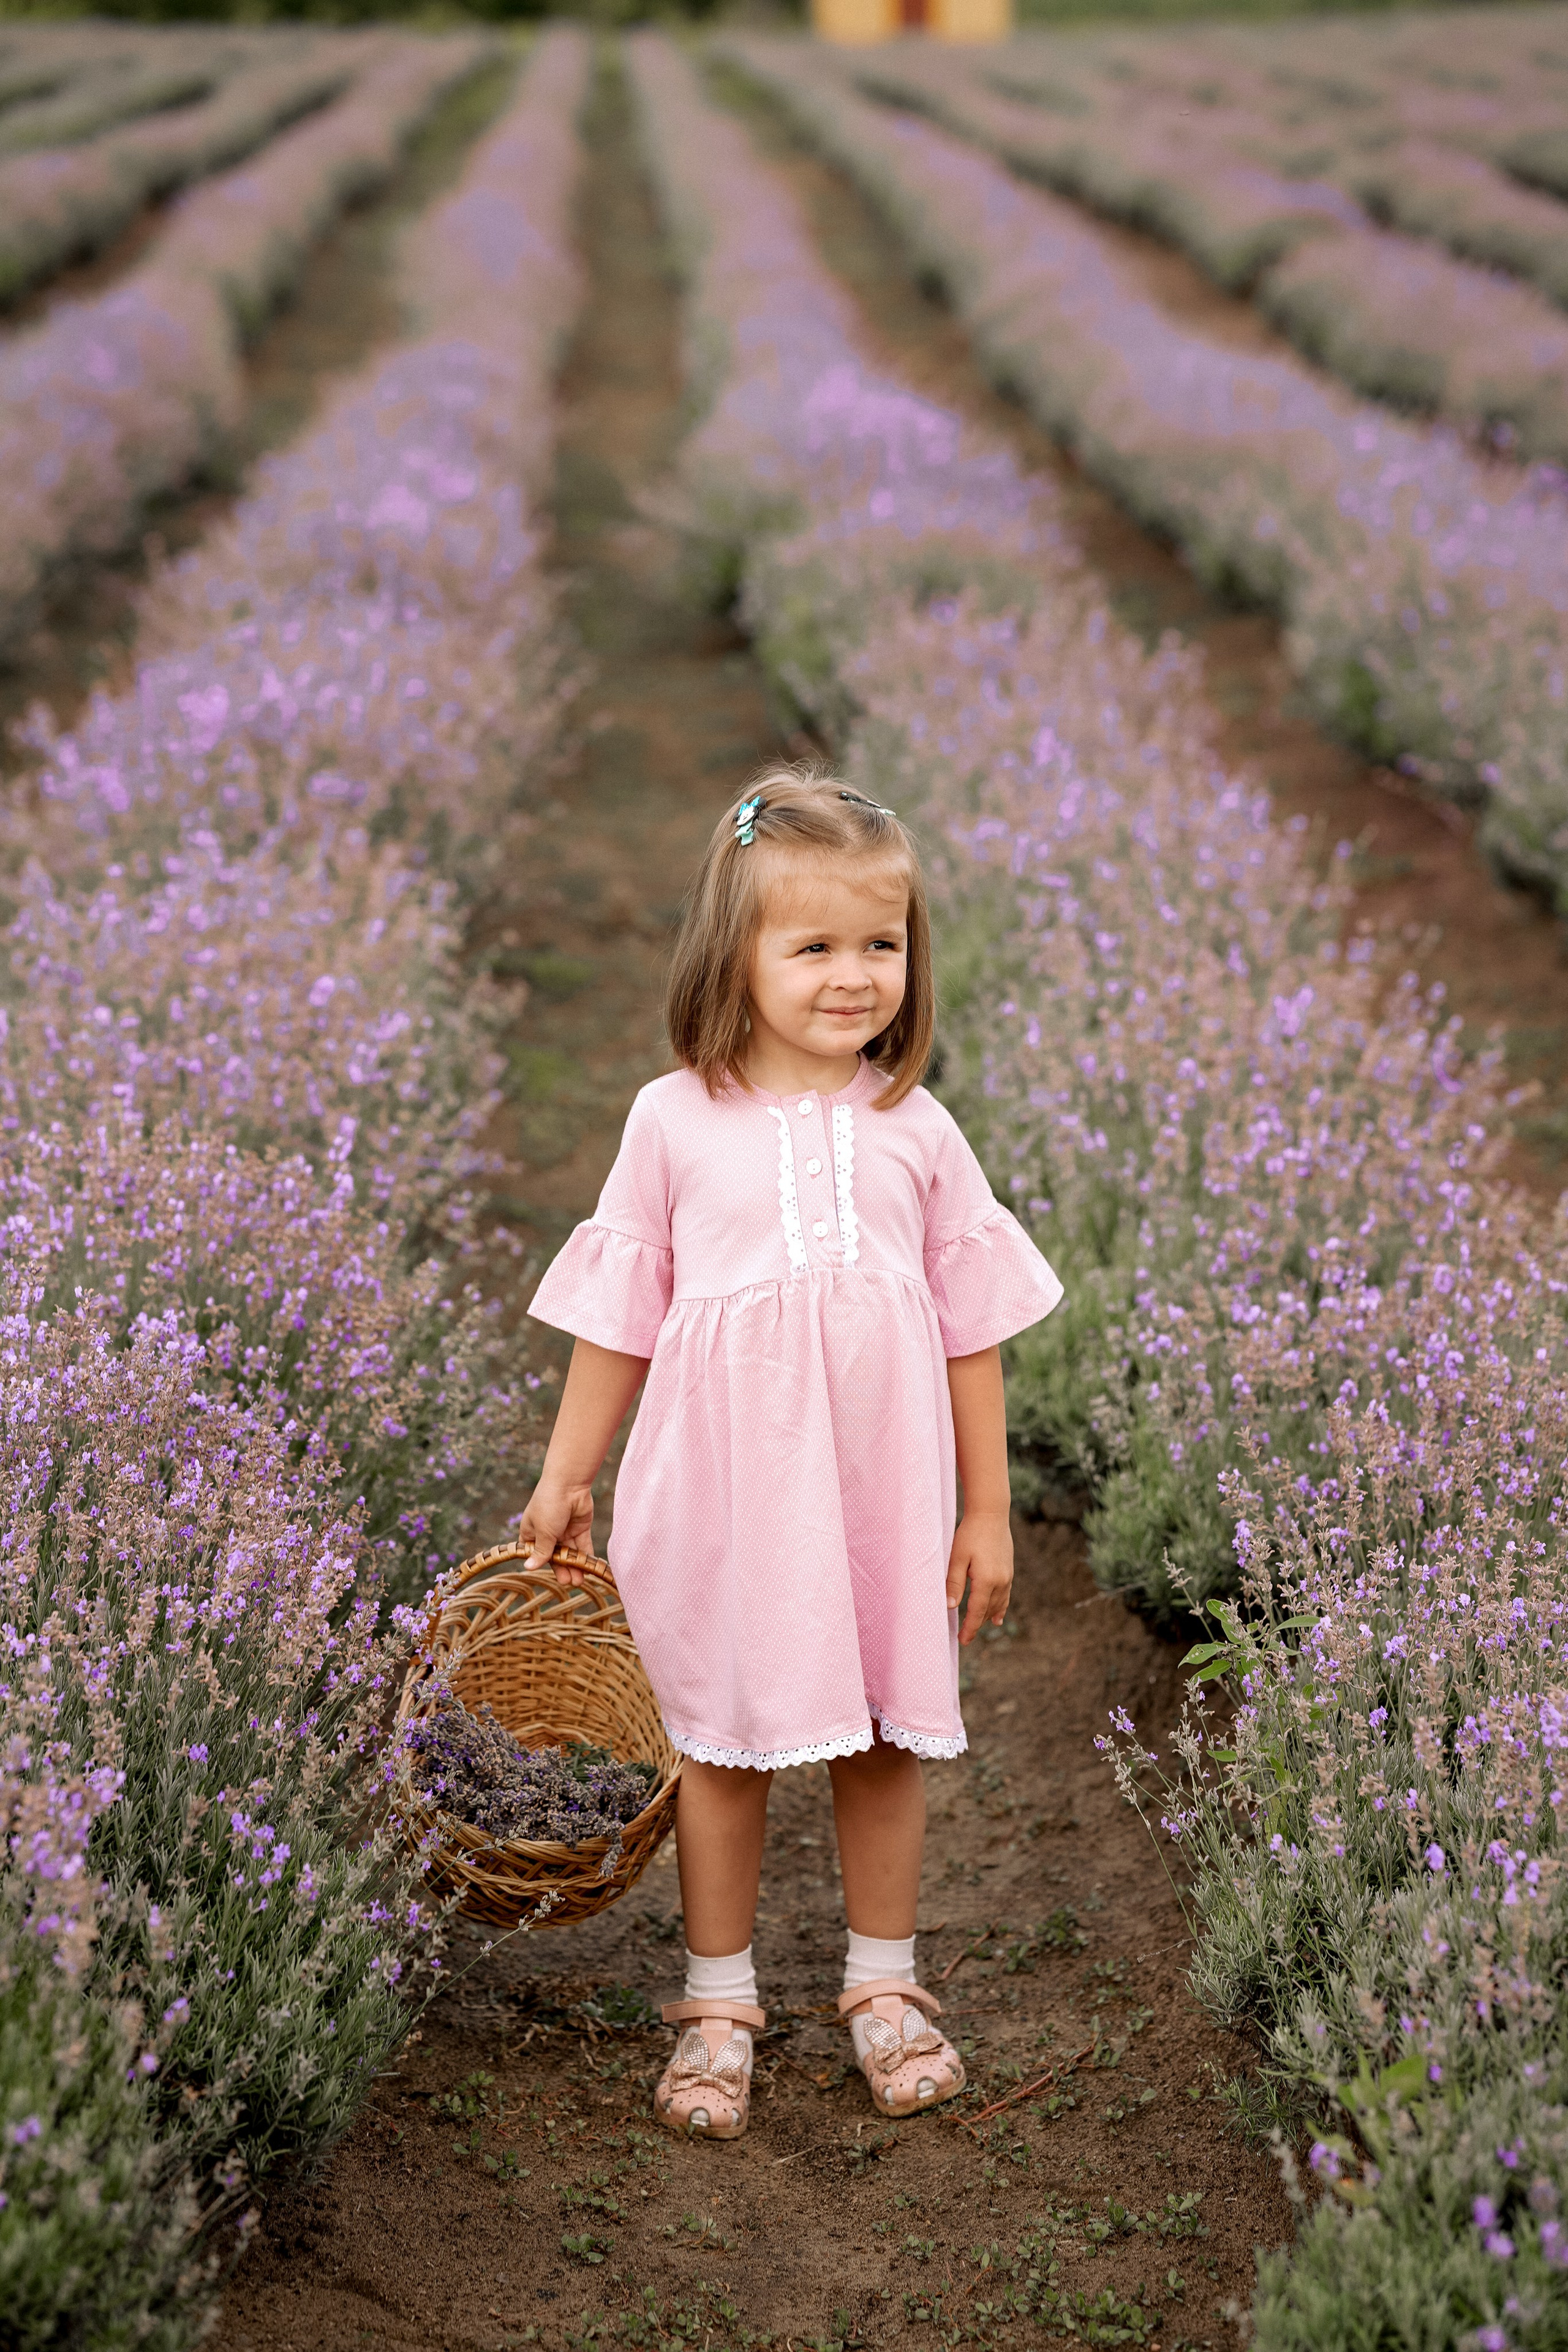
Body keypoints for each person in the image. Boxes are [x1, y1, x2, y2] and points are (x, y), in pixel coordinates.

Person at [519, 766, 1063, 2139]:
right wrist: (565, 1470)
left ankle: (883, 1988)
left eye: (878, 945)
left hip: (878, 1493)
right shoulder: (671, 1119)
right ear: (736, 954)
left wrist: (986, 1510)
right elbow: (618, 1315)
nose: (850, 976)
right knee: (727, 1742)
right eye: (811, 946)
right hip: (726, 1493)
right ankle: (717, 2002)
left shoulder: (916, 1128)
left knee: (882, 1734)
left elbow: (970, 1336)